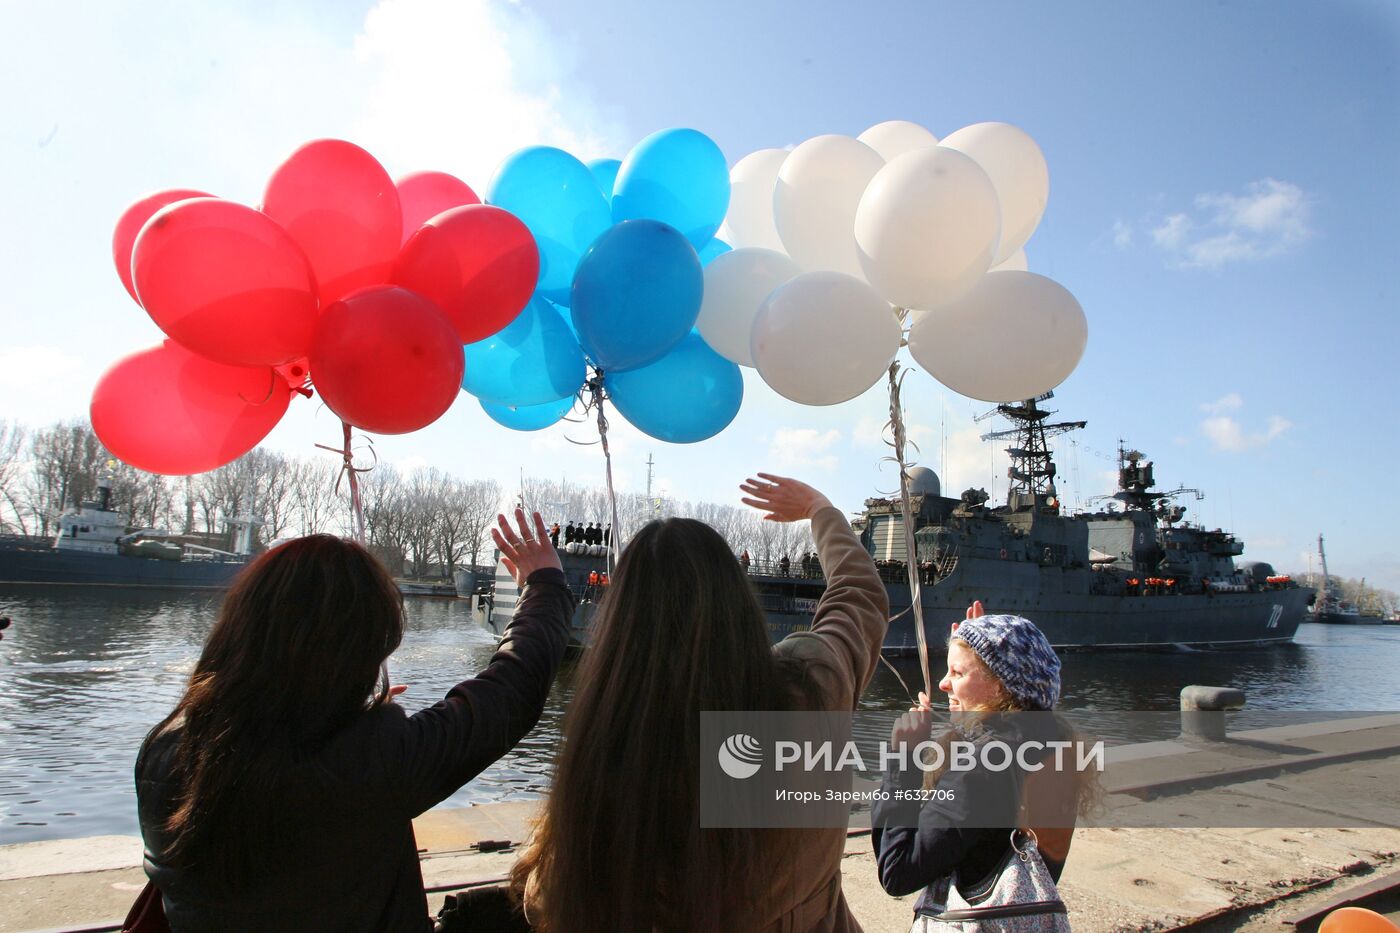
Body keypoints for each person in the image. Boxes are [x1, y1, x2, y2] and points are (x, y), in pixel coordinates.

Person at [135, 513, 572, 932]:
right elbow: (511, 690)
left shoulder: (163, 751)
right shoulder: (370, 761)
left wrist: (344, 720)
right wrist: (545, 582)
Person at [510, 473, 889, 932]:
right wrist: (820, 509)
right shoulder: (815, 686)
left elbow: (546, 898)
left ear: (619, 629)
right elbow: (859, 594)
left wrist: (542, 591)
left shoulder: (609, 751)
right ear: (736, 601)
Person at [871, 604, 1090, 930]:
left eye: (957, 673)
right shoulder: (1052, 741)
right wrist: (981, 648)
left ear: (1000, 686)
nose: (943, 684)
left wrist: (902, 761)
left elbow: (897, 872)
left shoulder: (981, 769)